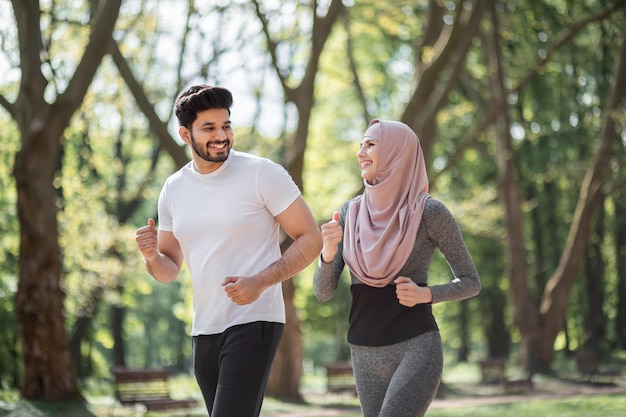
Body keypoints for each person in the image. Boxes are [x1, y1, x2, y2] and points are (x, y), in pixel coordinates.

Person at [135, 85, 323, 417]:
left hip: (255, 320)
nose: (221, 135)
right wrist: (151, 257)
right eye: (209, 128)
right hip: (204, 328)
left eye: (226, 125)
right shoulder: (174, 188)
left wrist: (260, 282)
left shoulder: (261, 173)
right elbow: (169, 269)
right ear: (185, 134)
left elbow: (311, 238)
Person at [314, 119, 480, 417]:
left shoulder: (429, 211)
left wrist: (425, 295)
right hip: (363, 349)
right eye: (361, 144)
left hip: (416, 346)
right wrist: (327, 254)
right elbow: (323, 292)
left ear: (395, 151)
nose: (360, 152)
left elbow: (471, 281)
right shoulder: (349, 213)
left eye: (371, 144)